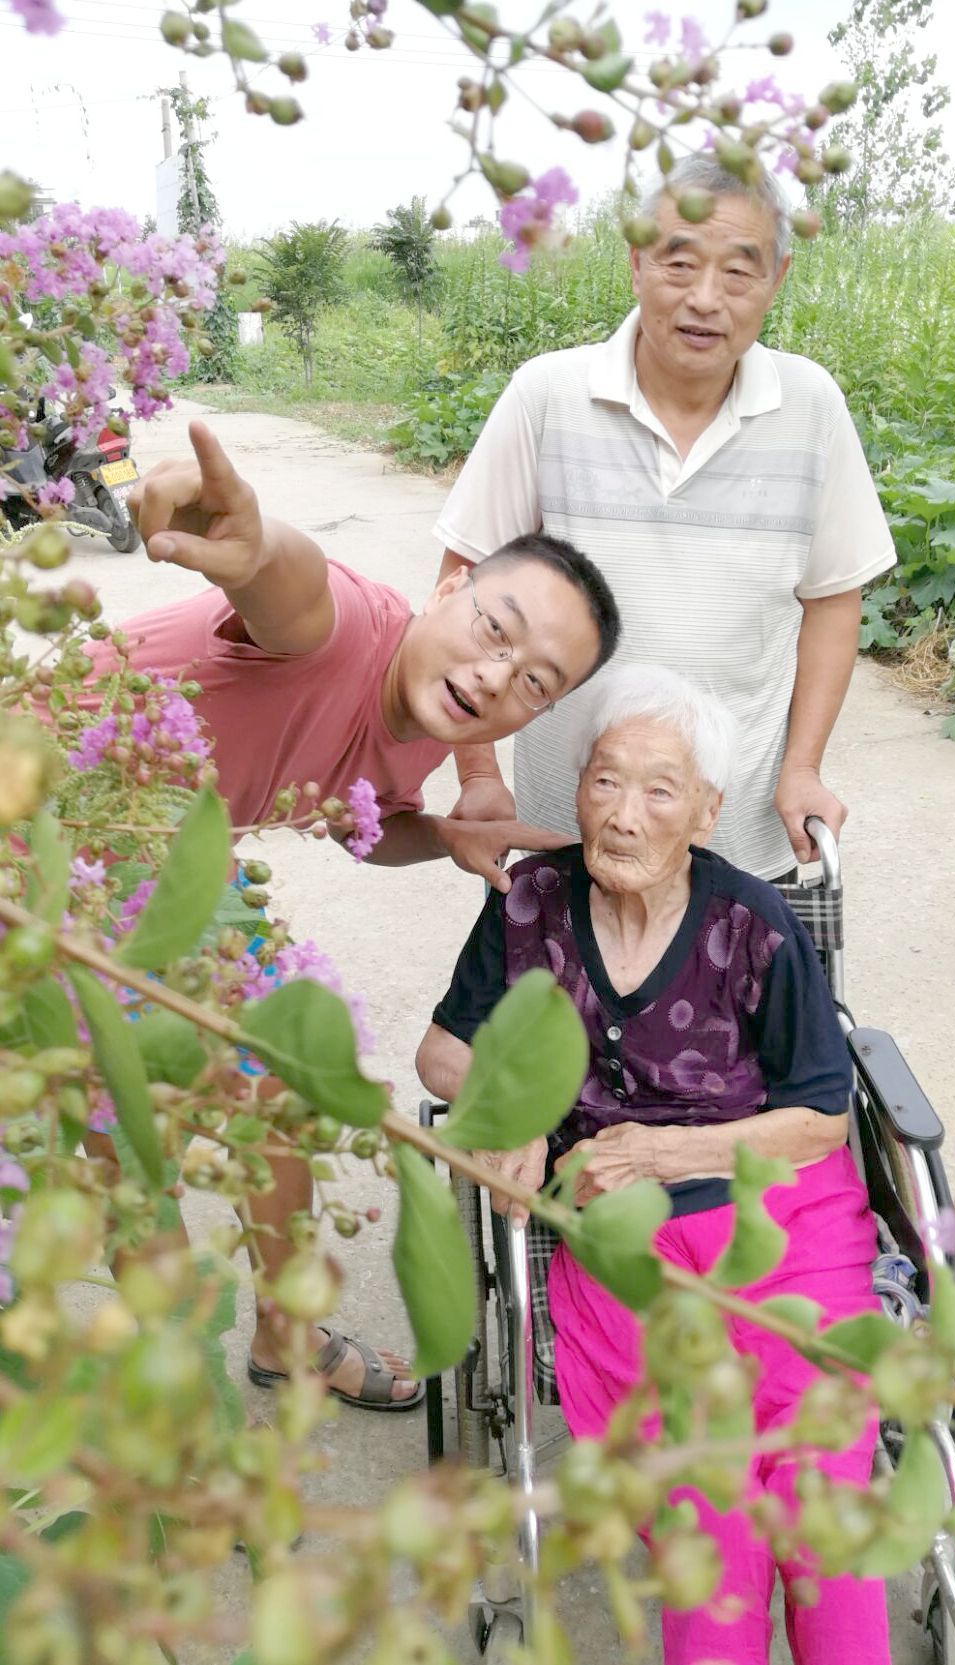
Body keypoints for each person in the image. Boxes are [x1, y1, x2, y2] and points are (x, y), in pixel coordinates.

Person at [84, 419, 620, 1411]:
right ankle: (181, 1409)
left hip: (168, 865)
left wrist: (441, 839)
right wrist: (254, 546)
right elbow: (290, 591)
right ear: (448, 590)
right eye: (496, 632)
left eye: (535, 681)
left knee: (289, 1089)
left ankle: (283, 1339)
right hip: (46, 835)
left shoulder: (430, 714)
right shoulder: (349, 627)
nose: (500, 676)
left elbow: (358, 819)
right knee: (128, 1129)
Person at [416, 666, 889, 1663]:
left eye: (660, 789)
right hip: (626, 1241)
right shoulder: (531, 902)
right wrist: (528, 1104)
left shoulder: (753, 923)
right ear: (578, 787)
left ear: (706, 813)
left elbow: (818, 1116)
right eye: (604, 781)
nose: (624, 815)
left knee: (816, 1481)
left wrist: (676, 1148)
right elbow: (442, 1054)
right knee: (700, 1487)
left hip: (780, 1217)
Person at [432, 153, 896, 883]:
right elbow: (465, 587)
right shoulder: (548, 395)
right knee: (546, 997)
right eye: (679, 265)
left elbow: (833, 598)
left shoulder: (811, 407)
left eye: (739, 272)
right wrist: (478, 775)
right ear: (637, 263)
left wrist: (803, 767)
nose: (705, 299)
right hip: (566, 832)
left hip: (737, 836)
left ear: (778, 279)